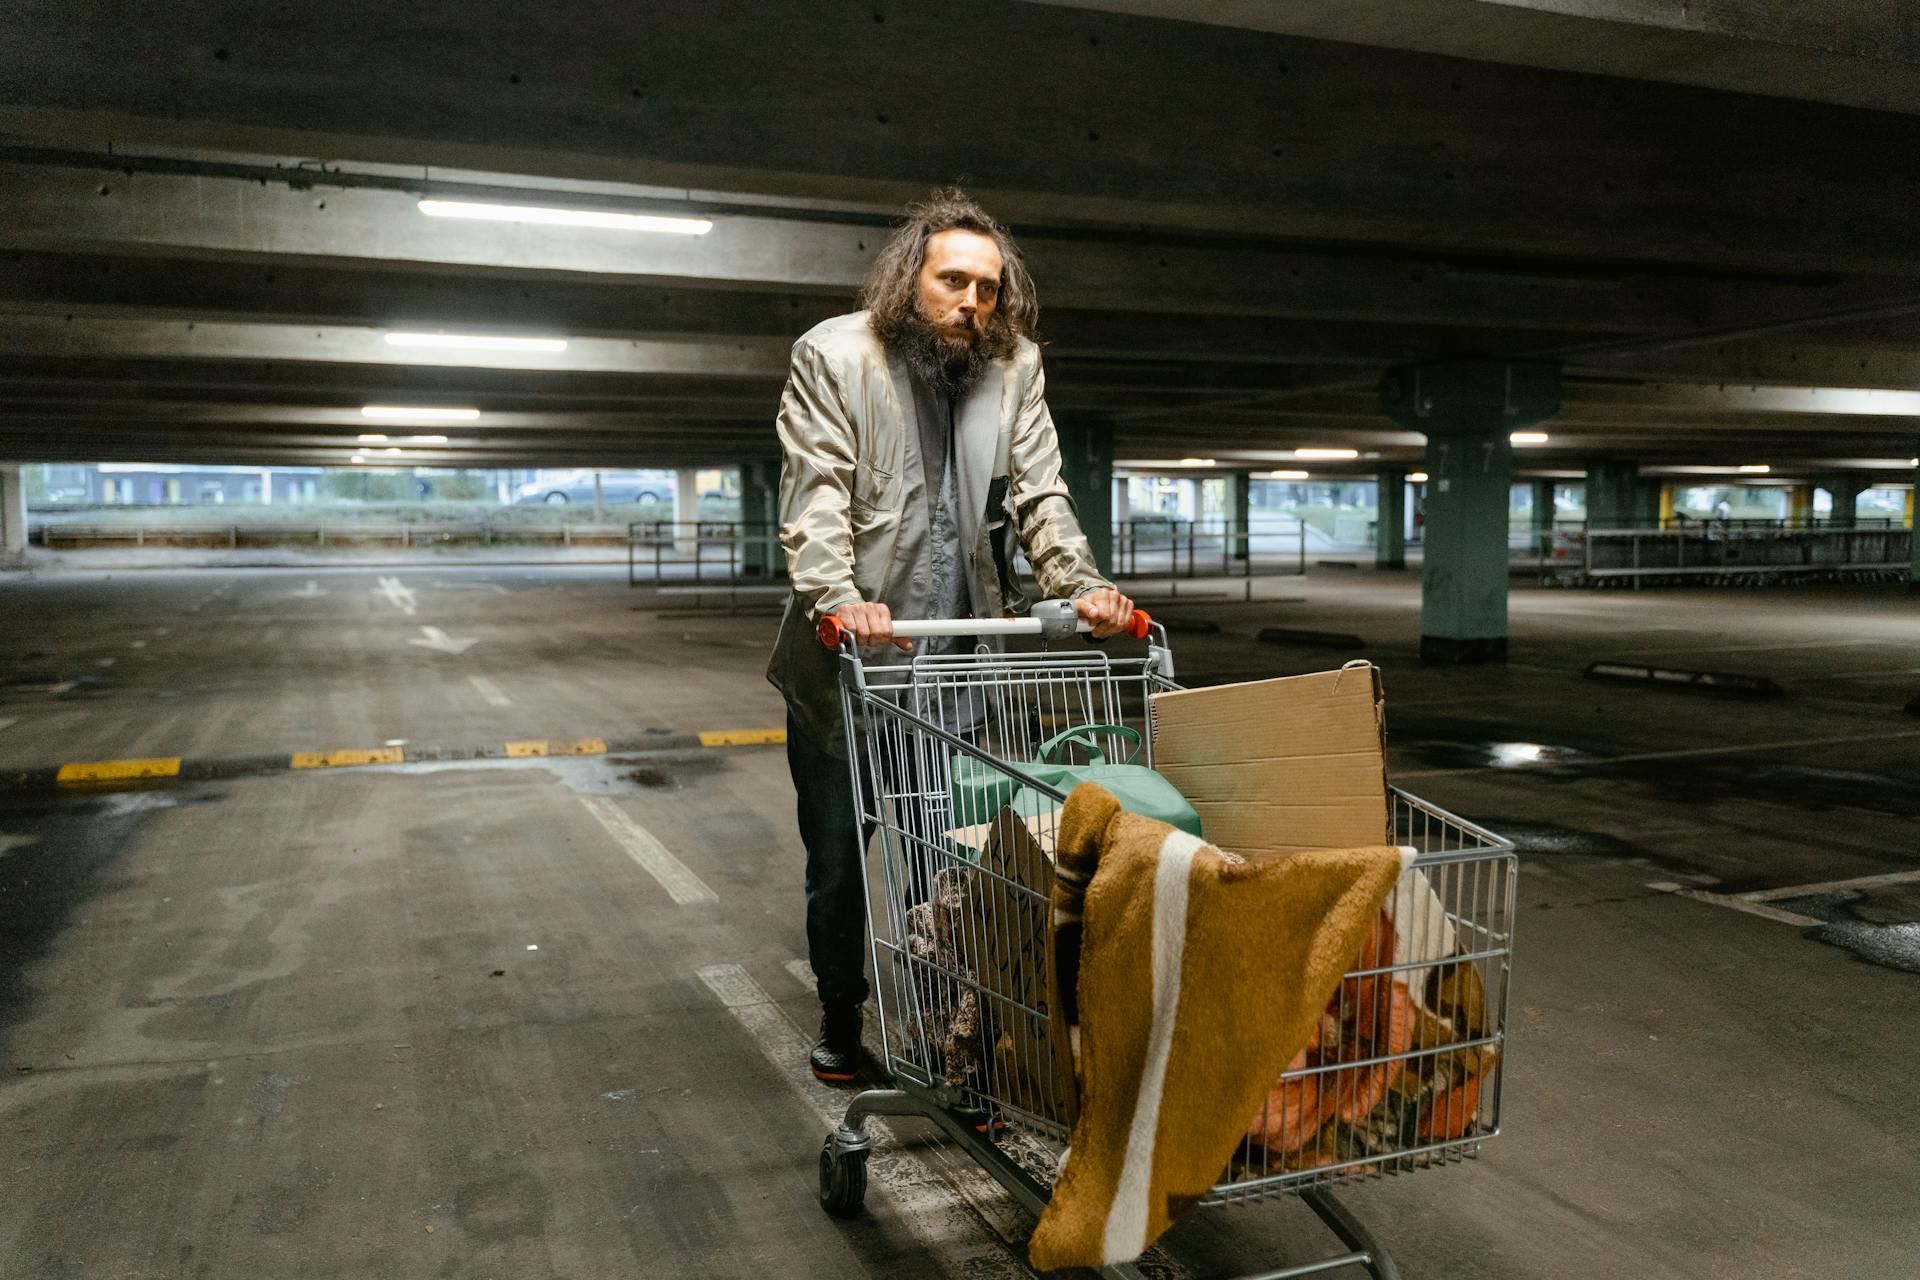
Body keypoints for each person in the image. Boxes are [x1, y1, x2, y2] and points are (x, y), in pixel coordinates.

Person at [766, 189, 1134, 1082]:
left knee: (949, 864)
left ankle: (950, 1031)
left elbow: (1040, 495)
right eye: (953, 281)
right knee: (841, 868)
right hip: (848, 668)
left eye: (989, 288)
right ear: (910, 279)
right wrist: (834, 597)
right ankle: (843, 1013)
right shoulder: (835, 354)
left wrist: (1083, 588)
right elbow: (815, 489)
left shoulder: (1014, 369)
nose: (972, 302)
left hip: (958, 676)